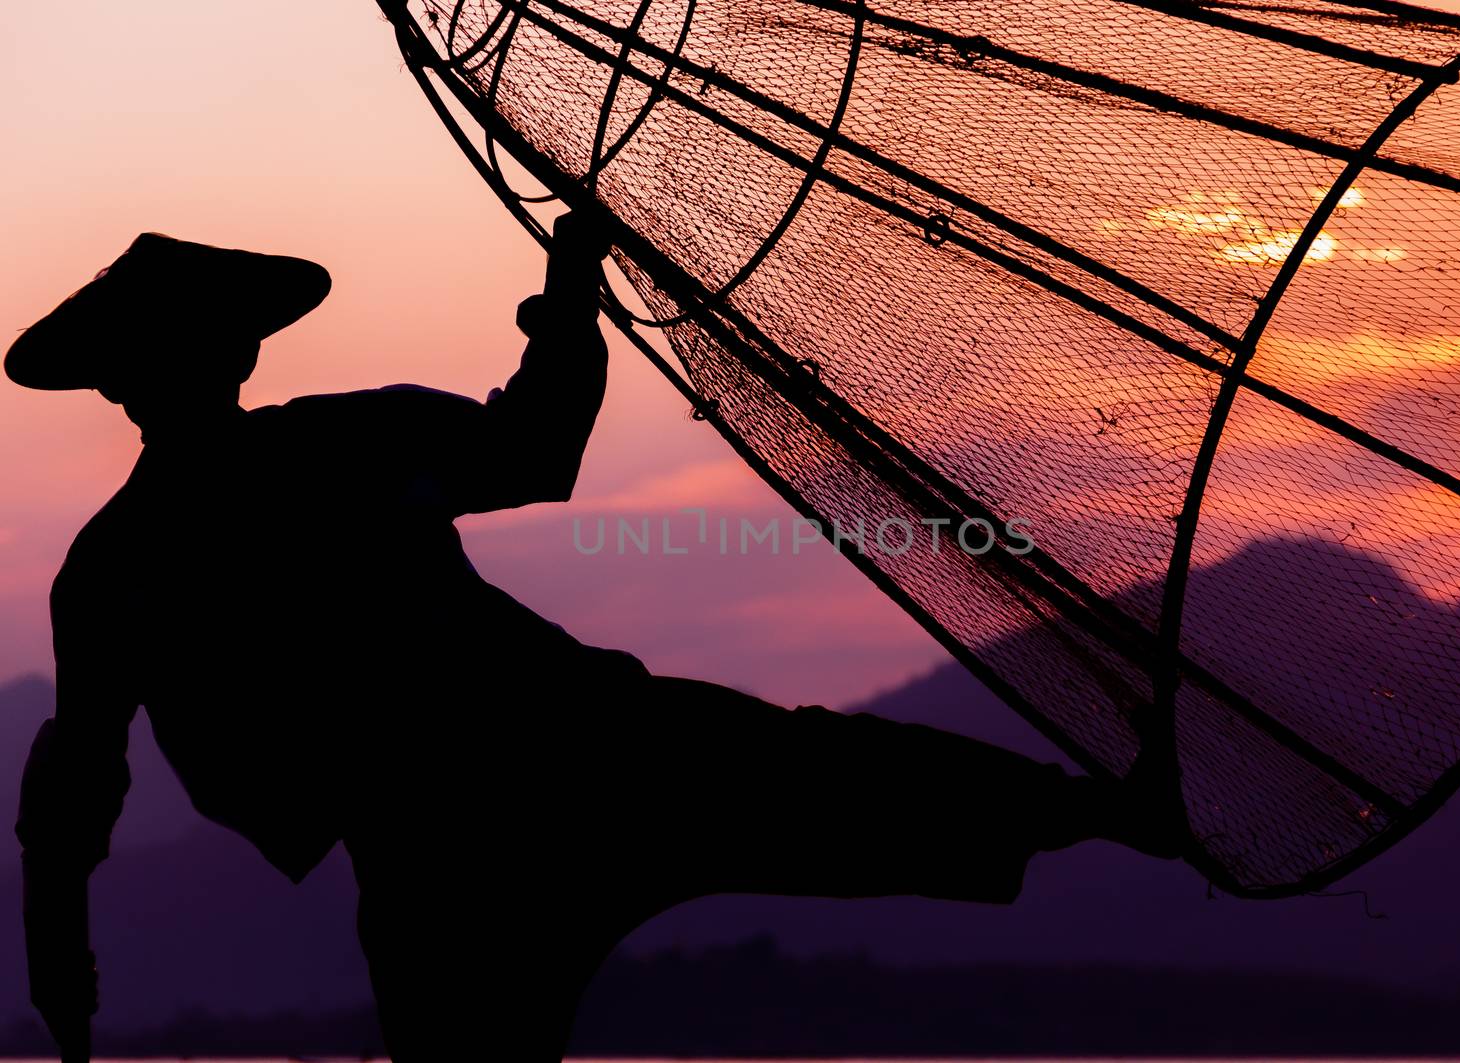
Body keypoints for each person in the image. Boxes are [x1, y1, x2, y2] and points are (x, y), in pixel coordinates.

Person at [7, 215, 1183, 1063]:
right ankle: (1107, 812)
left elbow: (72, 792)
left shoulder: (138, 552)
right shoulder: (252, 493)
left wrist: (60, 974)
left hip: (511, 792)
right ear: (223, 356)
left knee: (825, 777)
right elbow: (537, 450)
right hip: (503, 803)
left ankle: (1108, 811)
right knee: (823, 775)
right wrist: (565, 305)